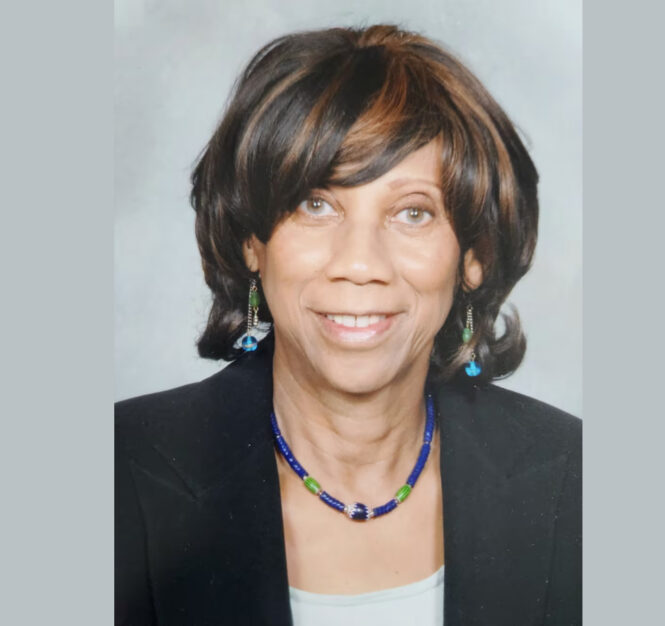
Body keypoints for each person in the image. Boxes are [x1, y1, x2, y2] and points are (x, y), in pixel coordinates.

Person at [115, 24, 581, 626]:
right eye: (316, 204)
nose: (360, 264)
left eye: (412, 213)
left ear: (473, 256)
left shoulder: (581, 482)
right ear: (253, 240)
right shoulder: (110, 475)